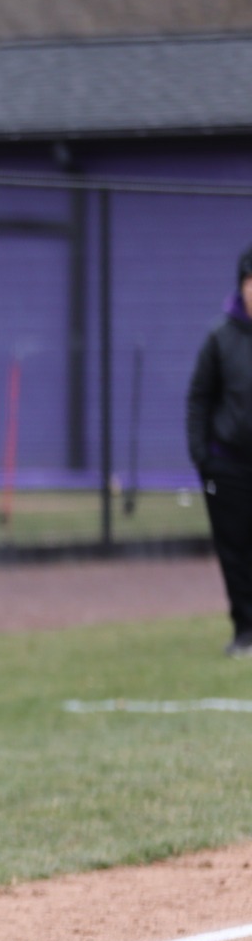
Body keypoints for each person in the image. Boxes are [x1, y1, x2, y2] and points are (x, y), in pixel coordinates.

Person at [188, 244, 252, 657]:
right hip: (228, 466)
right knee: (235, 549)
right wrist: (202, 457)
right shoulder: (220, 337)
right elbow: (199, 398)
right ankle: (246, 630)